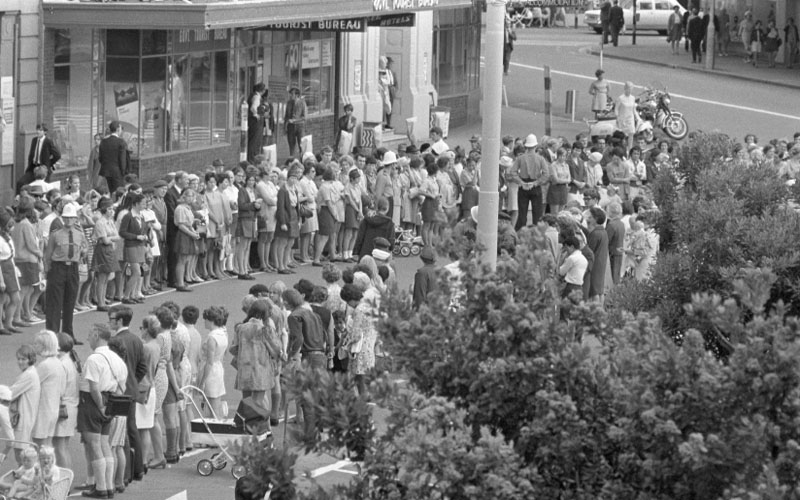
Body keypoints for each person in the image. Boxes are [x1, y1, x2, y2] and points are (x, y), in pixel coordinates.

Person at [78, 323, 128, 499]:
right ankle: (108, 486)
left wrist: (100, 406)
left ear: (97, 335)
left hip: (93, 403)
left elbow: (93, 387)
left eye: (90, 334)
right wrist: (109, 405)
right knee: (105, 444)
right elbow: (122, 386)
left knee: (94, 445)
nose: (88, 338)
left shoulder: (94, 359)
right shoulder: (117, 359)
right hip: (111, 400)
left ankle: (100, 487)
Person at [284, 288, 331, 436]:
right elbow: (324, 335)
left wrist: (290, 355)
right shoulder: (314, 314)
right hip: (320, 355)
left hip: (309, 356)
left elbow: (298, 339)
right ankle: (319, 425)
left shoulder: (294, 316)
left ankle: (310, 432)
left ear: (287, 302)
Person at [108, 305, 147, 484]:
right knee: (132, 430)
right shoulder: (136, 339)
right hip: (132, 390)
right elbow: (142, 367)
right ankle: (138, 468)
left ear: (120, 321)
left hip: (120, 392)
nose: (109, 322)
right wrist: (133, 381)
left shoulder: (115, 341)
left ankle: (126, 472)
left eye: (112, 319)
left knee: (120, 434)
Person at [43, 202, 87, 341]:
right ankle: (52, 336)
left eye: (71, 218)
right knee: (54, 304)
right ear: (62, 218)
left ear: (75, 219)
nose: (68, 220)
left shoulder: (80, 234)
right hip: (58, 267)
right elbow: (47, 256)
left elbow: (83, 249)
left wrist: (84, 252)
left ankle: (68, 335)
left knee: (70, 303)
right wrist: (47, 273)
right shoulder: (55, 235)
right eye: (66, 218)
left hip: (73, 268)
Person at [229, 300, 281, 416]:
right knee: (257, 401)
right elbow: (276, 349)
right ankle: (259, 427)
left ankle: (248, 426)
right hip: (261, 369)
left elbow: (233, 349)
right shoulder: (265, 329)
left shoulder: (240, 328)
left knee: (247, 401)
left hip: (245, 369)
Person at [137, 315, 165, 471]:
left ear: (147, 330)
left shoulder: (147, 347)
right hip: (151, 385)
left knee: (143, 427)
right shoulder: (156, 344)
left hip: (144, 386)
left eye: (142, 328)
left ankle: (142, 460)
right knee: (148, 424)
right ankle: (145, 459)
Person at [340, 283, 376, 397]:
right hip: (369, 346)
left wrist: (346, 342)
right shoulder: (368, 305)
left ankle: (362, 402)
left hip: (360, 349)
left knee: (359, 379)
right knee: (363, 378)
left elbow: (356, 334)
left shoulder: (358, 311)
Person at [31, 331, 65, 448]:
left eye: (37, 344)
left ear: (45, 345)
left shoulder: (45, 365)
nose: (34, 346)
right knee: (47, 446)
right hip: (52, 408)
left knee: (38, 445)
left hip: (43, 410)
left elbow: (30, 383)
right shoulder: (57, 362)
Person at [511, 134, 549, 231]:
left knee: (522, 214)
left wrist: (520, 182)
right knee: (537, 214)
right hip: (535, 186)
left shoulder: (520, 158)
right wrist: (536, 183)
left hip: (523, 185)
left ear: (526, 146)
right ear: (535, 146)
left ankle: (520, 233)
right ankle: (537, 234)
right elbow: (546, 174)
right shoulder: (540, 159)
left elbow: (513, 172)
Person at [10, 345, 40, 464]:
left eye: (23, 359)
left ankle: (27, 477)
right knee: (20, 451)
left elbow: (10, 393)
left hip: (24, 417)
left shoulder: (29, 375)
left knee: (21, 452)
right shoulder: (28, 373)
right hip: (22, 416)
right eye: (19, 359)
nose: (20, 362)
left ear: (30, 359)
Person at [53, 333, 79, 470]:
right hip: (71, 405)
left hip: (64, 406)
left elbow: (59, 390)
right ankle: (66, 480)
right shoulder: (70, 360)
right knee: (63, 447)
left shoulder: (62, 364)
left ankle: (64, 481)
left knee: (59, 447)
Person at [118, 192, 149, 304]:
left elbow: (144, 230)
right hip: (131, 246)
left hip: (140, 245)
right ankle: (126, 296)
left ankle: (133, 294)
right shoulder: (128, 216)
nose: (145, 205)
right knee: (136, 272)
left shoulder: (141, 216)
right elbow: (122, 232)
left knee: (139, 271)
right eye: (143, 203)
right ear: (136, 204)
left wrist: (145, 238)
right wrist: (136, 236)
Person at [274, 165, 302, 274]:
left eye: (295, 178)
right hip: (286, 216)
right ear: (288, 178)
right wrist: (282, 222)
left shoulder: (294, 189)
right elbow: (280, 207)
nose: (293, 180)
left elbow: (297, 205)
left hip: (294, 216)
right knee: (283, 242)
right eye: (292, 178)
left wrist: (299, 220)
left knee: (290, 242)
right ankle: (280, 266)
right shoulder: (283, 190)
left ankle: (286, 264)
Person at [17, 124, 60, 192]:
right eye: (37, 129)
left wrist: (49, 164)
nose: (38, 132)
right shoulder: (34, 140)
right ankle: (18, 199)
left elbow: (57, 155)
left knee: (41, 189)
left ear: (45, 132)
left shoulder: (48, 141)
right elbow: (31, 155)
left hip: (43, 169)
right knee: (20, 183)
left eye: (40, 130)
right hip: (33, 168)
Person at [0, 210, 20, 335]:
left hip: (10, 268)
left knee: (14, 298)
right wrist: (1, 280)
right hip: (2, 269)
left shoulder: (7, 238)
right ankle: (1, 325)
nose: (11, 228)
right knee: (2, 299)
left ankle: (8, 322)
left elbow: (11, 256)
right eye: (8, 225)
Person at [584, 207, 609, 303]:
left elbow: (589, 251)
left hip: (594, 264)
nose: (588, 219)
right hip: (601, 263)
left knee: (593, 291)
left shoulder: (595, 233)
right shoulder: (603, 232)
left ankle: (595, 313)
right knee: (600, 290)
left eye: (590, 217)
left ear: (595, 219)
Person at [98, 121, 128, 194]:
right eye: (121, 128)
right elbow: (122, 160)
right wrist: (123, 172)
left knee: (111, 192)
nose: (121, 130)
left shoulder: (104, 141)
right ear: (118, 129)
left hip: (106, 171)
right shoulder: (121, 142)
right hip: (117, 172)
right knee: (119, 192)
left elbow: (100, 158)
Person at [558, 234, 588, 300]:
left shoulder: (571, 258)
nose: (566, 250)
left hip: (570, 287)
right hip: (579, 287)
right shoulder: (584, 260)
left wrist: (561, 258)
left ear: (571, 246)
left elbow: (561, 272)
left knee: (565, 308)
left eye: (566, 247)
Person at [247, 83, 267, 163]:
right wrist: (256, 115)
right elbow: (253, 108)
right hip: (255, 122)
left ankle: (252, 157)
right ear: (262, 90)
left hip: (254, 122)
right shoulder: (257, 97)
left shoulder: (254, 95)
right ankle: (251, 158)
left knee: (254, 140)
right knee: (254, 140)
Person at [284, 87, 306, 157]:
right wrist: (285, 127)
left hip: (300, 127)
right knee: (291, 145)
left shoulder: (302, 103)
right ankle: (291, 159)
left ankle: (302, 160)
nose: (290, 95)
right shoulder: (289, 103)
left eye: (292, 94)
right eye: (290, 94)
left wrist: (295, 120)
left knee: (301, 145)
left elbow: (304, 117)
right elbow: (286, 116)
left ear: (297, 95)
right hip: (290, 127)